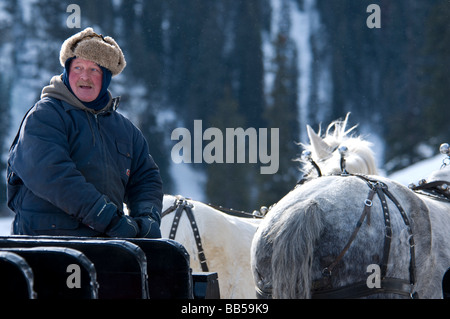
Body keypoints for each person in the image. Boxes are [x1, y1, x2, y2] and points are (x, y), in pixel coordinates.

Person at [6, 27, 163, 238]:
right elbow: (51, 173)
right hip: (45, 245)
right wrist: (105, 216)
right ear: (67, 72)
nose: (84, 77)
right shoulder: (45, 116)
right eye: (78, 67)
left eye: (94, 70)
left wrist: (148, 218)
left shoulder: (126, 130)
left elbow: (146, 178)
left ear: (106, 77)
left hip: (107, 246)